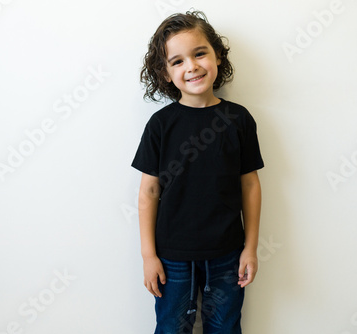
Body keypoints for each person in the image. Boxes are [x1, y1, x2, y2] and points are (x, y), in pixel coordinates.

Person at [131, 10, 264, 333]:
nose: (191, 66)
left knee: (225, 327)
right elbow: (149, 192)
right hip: (172, 258)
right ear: (165, 73)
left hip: (227, 256)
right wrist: (149, 256)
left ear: (217, 55)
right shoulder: (161, 125)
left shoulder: (239, 119)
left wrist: (251, 247)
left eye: (199, 53)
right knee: (171, 328)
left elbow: (250, 185)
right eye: (177, 61)